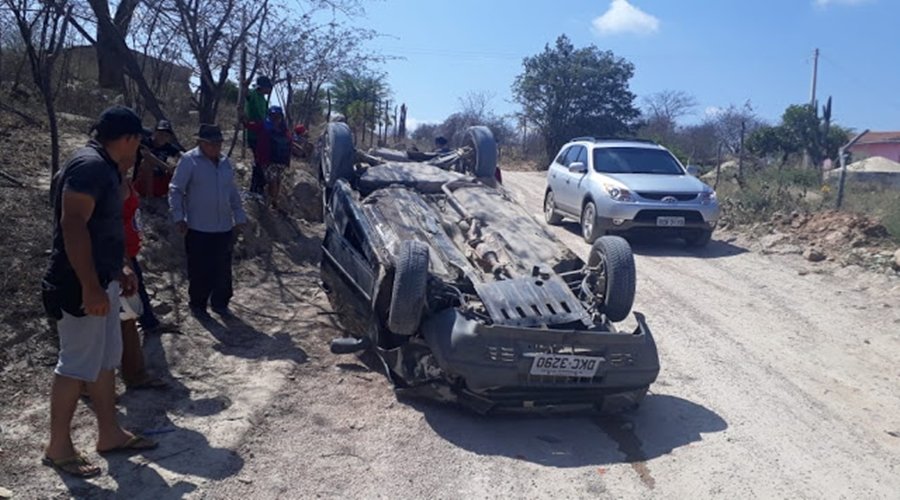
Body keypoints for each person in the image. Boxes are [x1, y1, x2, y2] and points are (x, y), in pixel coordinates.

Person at [41, 106, 157, 478]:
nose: (138, 150)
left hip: (102, 279)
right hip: (78, 285)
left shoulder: (105, 167)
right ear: (129, 139)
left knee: (106, 359)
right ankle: (58, 447)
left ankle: (109, 434)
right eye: (138, 142)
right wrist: (90, 285)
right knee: (75, 365)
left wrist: (119, 266)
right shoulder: (89, 166)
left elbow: (102, 226)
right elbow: (72, 224)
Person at [169, 124, 248, 318]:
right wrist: (178, 217)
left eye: (219, 143)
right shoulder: (189, 161)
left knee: (222, 267)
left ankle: (221, 302)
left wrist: (239, 215)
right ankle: (198, 304)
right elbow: (176, 190)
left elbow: (231, 191)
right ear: (201, 143)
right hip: (198, 226)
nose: (216, 147)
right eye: (212, 143)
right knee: (199, 268)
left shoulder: (225, 162)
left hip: (223, 226)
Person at [119, 178, 167, 389]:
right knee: (124, 318)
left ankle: (134, 372)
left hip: (126, 256)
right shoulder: (103, 179)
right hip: (117, 259)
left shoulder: (119, 175)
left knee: (128, 317)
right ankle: (90, 383)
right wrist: (123, 262)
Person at [244, 106, 292, 210]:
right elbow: (289, 142)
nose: (275, 118)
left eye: (276, 116)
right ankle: (274, 200)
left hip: (268, 159)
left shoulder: (264, 125)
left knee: (273, 180)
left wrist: (243, 119)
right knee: (277, 180)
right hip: (281, 160)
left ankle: (273, 201)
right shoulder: (284, 129)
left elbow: (248, 125)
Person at [134, 120, 184, 199]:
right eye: (160, 134)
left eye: (166, 135)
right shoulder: (145, 142)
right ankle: (149, 199)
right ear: (154, 133)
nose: (162, 137)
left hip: (159, 182)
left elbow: (182, 156)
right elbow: (146, 155)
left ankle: (177, 196)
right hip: (142, 183)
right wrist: (166, 167)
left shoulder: (168, 147)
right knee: (146, 163)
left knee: (177, 167)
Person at [244, 75, 273, 196]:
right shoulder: (253, 95)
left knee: (262, 161)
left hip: (262, 136)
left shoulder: (264, 100)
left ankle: (259, 188)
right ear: (263, 87)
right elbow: (245, 94)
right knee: (258, 162)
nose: (270, 90)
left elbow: (266, 117)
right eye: (268, 87)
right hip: (253, 134)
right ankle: (255, 188)